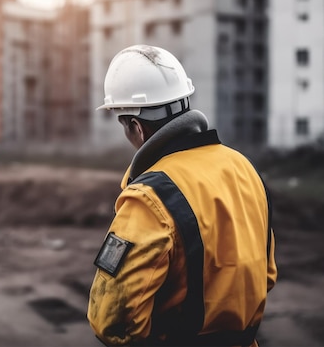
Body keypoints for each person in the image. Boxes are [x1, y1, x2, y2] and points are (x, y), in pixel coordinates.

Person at [87, 45, 277, 347]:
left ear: (136, 127)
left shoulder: (148, 198)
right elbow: (265, 275)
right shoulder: (244, 169)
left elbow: (112, 321)